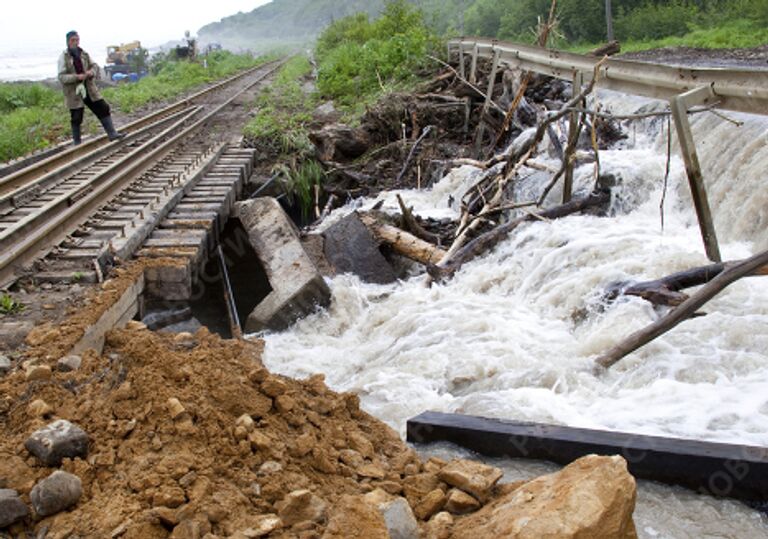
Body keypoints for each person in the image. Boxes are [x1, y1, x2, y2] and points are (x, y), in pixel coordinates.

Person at [58, 30, 124, 145]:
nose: (76, 42)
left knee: (103, 108)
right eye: (73, 40)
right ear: (68, 42)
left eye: (77, 40)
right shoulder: (63, 57)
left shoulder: (84, 53)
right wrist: (76, 77)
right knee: (76, 116)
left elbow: (94, 66)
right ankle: (77, 143)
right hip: (74, 92)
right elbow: (61, 76)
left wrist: (90, 73)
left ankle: (112, 133)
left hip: (89, 88)